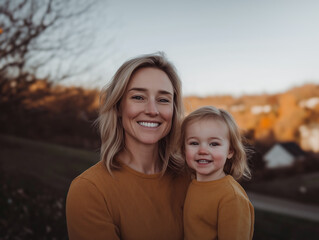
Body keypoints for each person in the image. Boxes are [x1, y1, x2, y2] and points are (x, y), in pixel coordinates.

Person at [66, 52, 190, 240]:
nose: (152, 110)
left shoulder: (193, 178)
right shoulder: (89, 190)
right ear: (118, 106)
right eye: (138, 97)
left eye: (163, 100)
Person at [181, 106, 254, 240]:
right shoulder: (190, 183)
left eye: (214, 144)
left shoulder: (232, 198)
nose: (203, 150)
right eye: (194, 143)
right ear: (184, 149)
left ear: (230, 151)